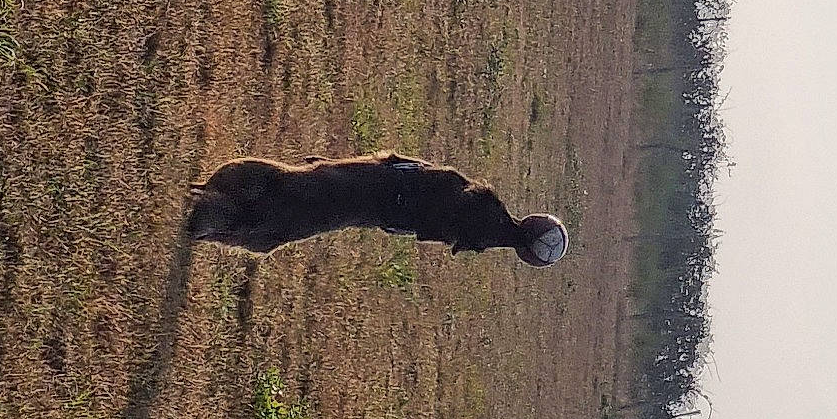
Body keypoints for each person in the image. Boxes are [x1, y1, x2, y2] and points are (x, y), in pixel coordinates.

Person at [188, 152, 569, 266]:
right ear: (527, 256)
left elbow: (408, 167)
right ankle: (208, 211)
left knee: (292, 189)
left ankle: (211, 201)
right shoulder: (478, 233)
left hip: (382, 183)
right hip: (375, 204)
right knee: (275, 228)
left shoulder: (484, 207)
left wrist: (344, 165)